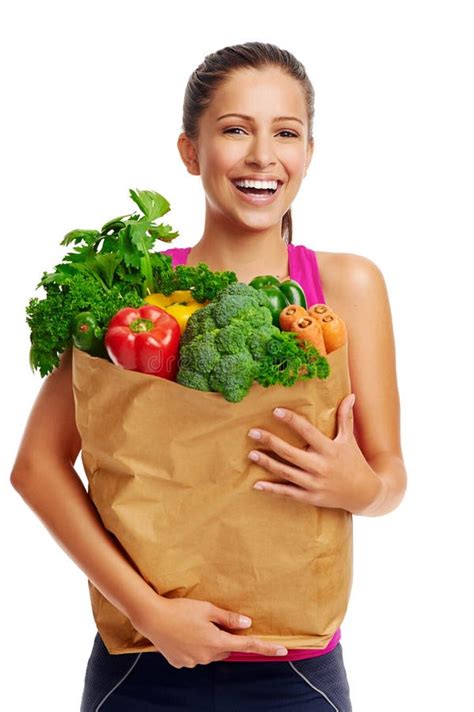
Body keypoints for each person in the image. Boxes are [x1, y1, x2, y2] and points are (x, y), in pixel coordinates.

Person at [10, 41, 407, 711]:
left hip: (298, 669)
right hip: (143, 662)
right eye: (234, 130)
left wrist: (358, 485)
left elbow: (390, 476)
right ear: (191, 152)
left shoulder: (347, 285)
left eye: (286, 132)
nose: (262, 155)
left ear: (309, 152)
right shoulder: (132, 291)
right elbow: (37, 467)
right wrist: (150, 613)